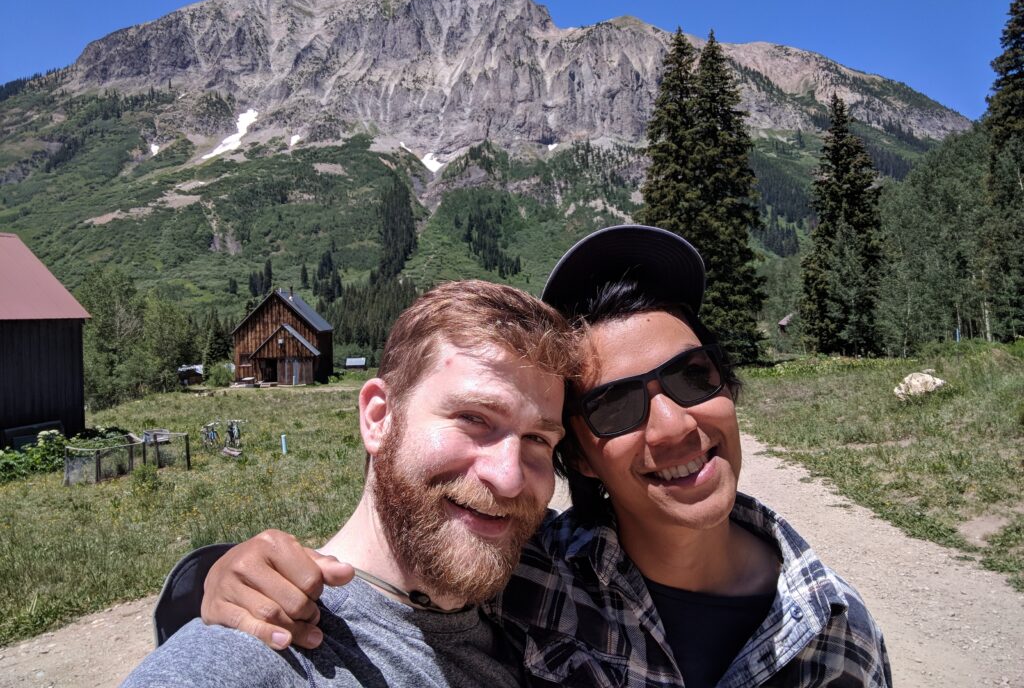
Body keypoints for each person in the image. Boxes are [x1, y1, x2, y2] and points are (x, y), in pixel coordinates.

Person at [159, 225, 893, 687]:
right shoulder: (534, 576)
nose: (672, 426)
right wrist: (210, 579)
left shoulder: (840, 635)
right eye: (616, 406)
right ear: (585, 458)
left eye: (693, 377)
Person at [121, 280, 580, 687]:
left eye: (538, 439)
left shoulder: (531, 603)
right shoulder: (261, 650)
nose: (509, 477)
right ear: (379, 419)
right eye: (474, 418)